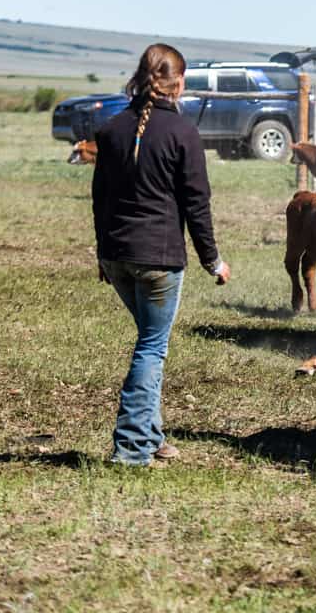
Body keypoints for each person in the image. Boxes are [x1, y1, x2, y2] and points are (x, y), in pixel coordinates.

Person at [93, 43, 231, 467]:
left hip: (117, 257)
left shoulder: (112, 128)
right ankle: (133, 447)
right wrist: (213, 261)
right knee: (151, 348)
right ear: (179, 83)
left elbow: (99, 198)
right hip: (159, 259)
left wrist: (102, 253)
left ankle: (151, 437)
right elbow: (197, 204)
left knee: (149, 340)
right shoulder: (183, 133)